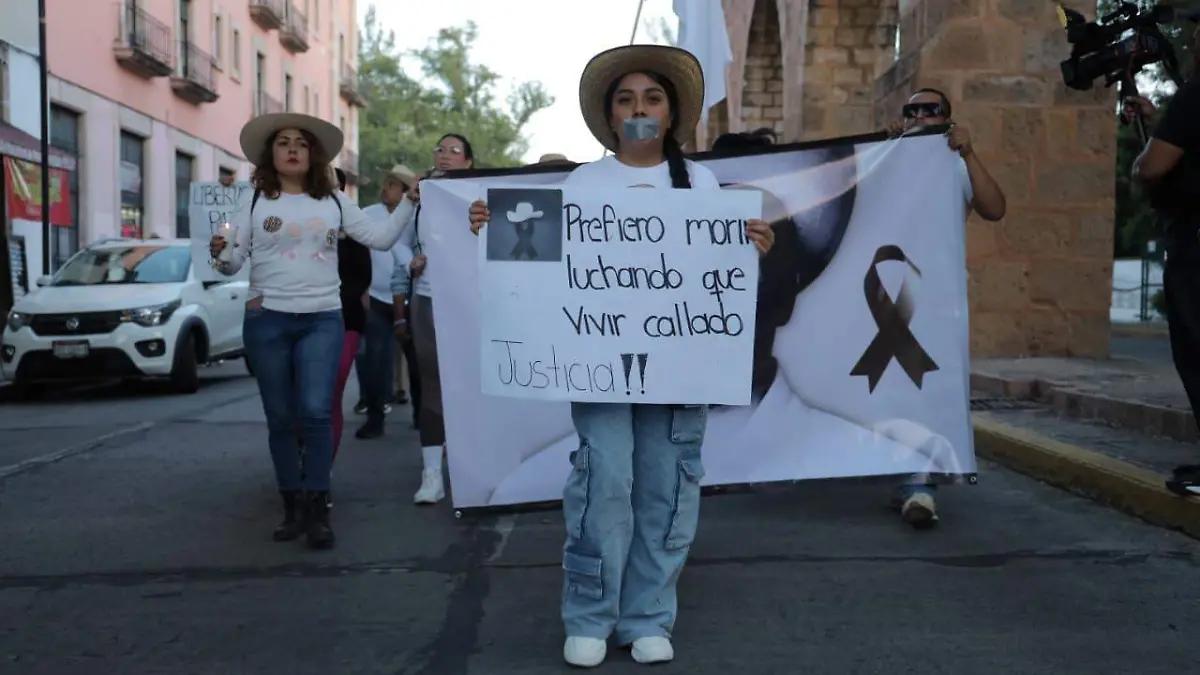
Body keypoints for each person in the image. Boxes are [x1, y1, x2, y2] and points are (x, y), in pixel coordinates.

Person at [468, 45, 774, 667]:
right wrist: (493, 227)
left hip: (680, 368)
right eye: (626, 100)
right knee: (604, 480)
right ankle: (589, 614)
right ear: (610, 116)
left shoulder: (703, 185)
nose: (639, 109)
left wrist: (752, 248)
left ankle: (648, 616)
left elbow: (719, 281)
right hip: (599, 367)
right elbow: (541, 266)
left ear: (670, 113)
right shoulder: (584, 184)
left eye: (652, 98)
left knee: (667, 485)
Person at [209, 112, 414, 549]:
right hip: (266, 319)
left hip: (322, 318)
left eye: (300, 143)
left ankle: (318, 510)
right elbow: (231, 262)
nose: (292, 149)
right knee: (281, 417)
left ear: (313, 154)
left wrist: (410, 203)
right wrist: (220, 253)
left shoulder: (334, 200)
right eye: (283, 142)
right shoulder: (253, 200)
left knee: (317, 412)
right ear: (271, 154)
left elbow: (380, 238)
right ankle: (292, 507)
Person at [885, 86, 1006, 527]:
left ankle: (918, 483)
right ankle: (904, 477)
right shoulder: (888, 159)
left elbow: (994, 208)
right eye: (911, 110)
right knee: (893, 388)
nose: (919, 116)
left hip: (936, 298)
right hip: (884, 294)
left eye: (930, 109)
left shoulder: (955, 165)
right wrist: (885, 149)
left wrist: (969, 152)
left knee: (924, 387)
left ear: (947, 119)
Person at [1128, 11, 1200, 496]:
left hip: (1195, 240)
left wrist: (1143, 155)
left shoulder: (1195, 94)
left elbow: (1153, 167)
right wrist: (1160, 123)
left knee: (1196, 349)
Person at [402, 134, 476, 504]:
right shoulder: (422, 196)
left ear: (469, 163)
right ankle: (431, 475)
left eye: (454, 151)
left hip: (471, 302)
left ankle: (473, 471)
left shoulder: (479, 196)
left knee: (473, 386)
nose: (445, 155)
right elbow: (396, 240)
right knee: (432, 385)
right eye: (440, 150)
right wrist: (409, 262)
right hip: (429, 299)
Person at [354, 165, 417, 439]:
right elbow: (356, 254)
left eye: (392, 185)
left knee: (417, 362)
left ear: (404, 192)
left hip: (411, 299)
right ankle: (375, 418)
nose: (385, 189)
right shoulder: (368, 214)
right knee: (374, 361)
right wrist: (361, 289)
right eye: (386, 183)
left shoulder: (418, 215)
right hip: (376, 299)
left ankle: (422, 418)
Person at [332, 167, 373, 457]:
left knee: (331, 391)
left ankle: (321, 468)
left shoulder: (355, 229)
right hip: (301, 315)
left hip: (346, 319)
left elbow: (363, 276)